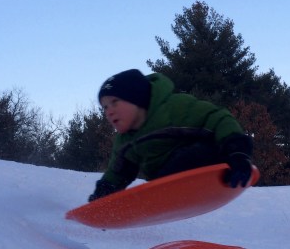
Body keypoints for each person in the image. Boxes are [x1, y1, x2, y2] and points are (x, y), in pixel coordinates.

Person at [88, 69, 254, 202]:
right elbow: (118, 172)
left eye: (115, 102)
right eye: (104, 107)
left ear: (136, 98)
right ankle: (163, 192)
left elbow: (218, 118)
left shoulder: (174, 109)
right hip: (166, 181)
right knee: (157, 175)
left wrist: (238, 153)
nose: (109, 111)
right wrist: (103, 193)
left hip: (209, 161)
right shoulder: (124, 141)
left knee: (191, 155)